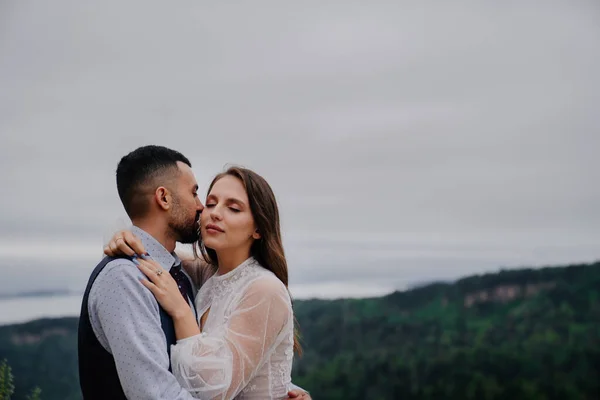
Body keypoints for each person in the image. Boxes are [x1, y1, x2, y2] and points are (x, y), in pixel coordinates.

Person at [78, 145, 309, 399]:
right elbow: (156, 254)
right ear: (163, 198)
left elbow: (225, 385)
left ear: (258, 228)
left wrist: (180, 310)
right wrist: (120, 237)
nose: (207, 211)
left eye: (233, 208)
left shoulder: (262, 288)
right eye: (208, 201)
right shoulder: (203, 273)